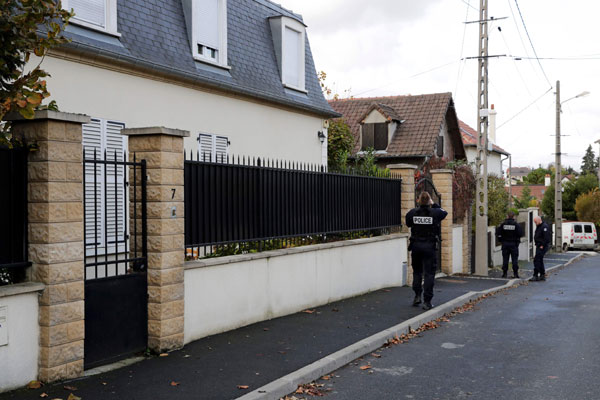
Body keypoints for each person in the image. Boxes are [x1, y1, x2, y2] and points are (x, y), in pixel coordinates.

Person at [406, 192, 448, 310]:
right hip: (429, 247)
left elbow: (408, 223)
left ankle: (417, 295)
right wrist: (433, 204)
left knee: (417, 272)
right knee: (429, 274)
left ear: (418, 200)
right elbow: (445, 212)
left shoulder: (412, 213)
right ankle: (427, 301)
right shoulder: (435, 212)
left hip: (416, 246)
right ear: (429, 200)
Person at [496, 211, 524, 278]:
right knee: (514, 259)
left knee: (505, 259)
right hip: (514, 244)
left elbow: (498, 233)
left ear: (507, 216)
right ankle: (515, 274)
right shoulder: (516, 225)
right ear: (513, 216)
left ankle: (504, 273)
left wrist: (501, 240)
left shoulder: (503, 224)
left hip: (505, 244)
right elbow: (520, 233)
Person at [531, 216, 552, 281]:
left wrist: (542, 245)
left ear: (539, 220)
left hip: (542, 246)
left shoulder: (544, 227)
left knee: (537, 260)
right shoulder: (539, 226)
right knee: (539, 260)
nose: (535, 223)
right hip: (539, 245)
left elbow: (546, 238)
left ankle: (536, 275)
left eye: (535, 222)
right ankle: (542, 275)